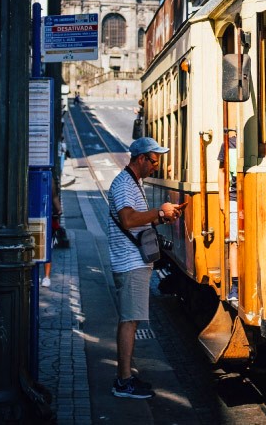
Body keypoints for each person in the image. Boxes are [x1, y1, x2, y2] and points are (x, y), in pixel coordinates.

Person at [107, 137, 181, 399]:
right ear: (140, 159)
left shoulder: (132, 182)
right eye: (153, 161)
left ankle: (126, 377)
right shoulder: (125, 184)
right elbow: (128, 220)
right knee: (129, 321)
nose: (155, 166)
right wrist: (159, 213)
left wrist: (163, 216)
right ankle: (123, 382)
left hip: (134, 262)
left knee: (131, 319)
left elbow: (137, 222)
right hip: (129, 263)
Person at [218, 132, 239, 301]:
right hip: (233, 199)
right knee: (234, 241)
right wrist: (222, 200)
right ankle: (236, 285)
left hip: (252, 198)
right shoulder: (228, 143)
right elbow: (222, 171)